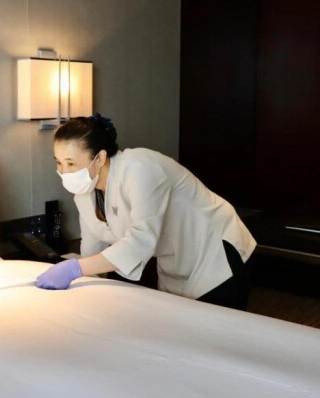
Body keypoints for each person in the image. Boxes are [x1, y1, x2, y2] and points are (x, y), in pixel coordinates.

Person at [34, 114, 257, 310]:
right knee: (179, 328)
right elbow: (93, 243)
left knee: (216, 332)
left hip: (215, 252)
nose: (63, 172)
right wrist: (83, 284)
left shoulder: (140, 168)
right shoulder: (85, 192)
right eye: (59, 163)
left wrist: (75, 269)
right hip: (175, 258)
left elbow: (140, 240)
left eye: (71, 164)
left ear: (99, 158)